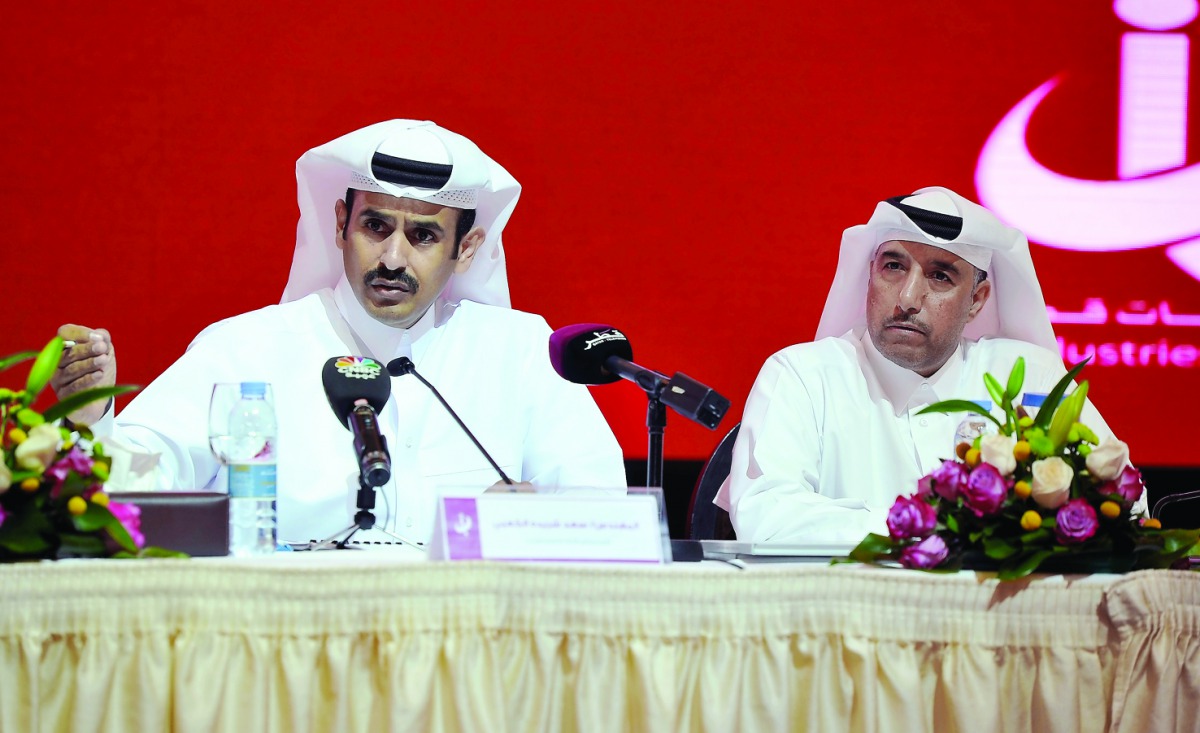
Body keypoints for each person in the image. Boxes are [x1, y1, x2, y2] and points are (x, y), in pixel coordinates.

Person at [51, 120, 626, 545]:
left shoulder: (521, 353)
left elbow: (603, 514)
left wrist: (525, 526)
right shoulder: (243, 349)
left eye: (423, 237)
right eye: (376, 226)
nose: (394, 259)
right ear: (340, 225)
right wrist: (90, 423)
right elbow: (140, 487)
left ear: (466, 249)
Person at [715, 186, 1125, 544]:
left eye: (940, 276)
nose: (908, 298)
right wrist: (931, 530)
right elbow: (766, 518)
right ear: (871, 272)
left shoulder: (1029, 377)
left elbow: (1122, 501)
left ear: (977, 302)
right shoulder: (802, 376)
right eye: (894, 266)